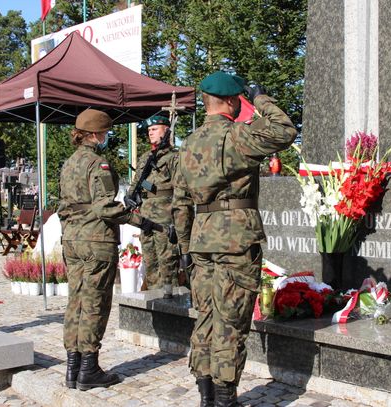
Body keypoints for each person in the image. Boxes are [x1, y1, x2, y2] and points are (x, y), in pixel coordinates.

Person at [172, 71, 297, 406]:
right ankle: (225, 398)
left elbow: (180, 203)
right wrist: (259, 98)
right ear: (231, 101)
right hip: (236, 239)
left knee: (207, 317)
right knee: (231, 321)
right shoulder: (238, 136)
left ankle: (206, 395)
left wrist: (185, 248)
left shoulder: (189, 144)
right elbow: (285, 129)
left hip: (201, 240)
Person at [58, 109, 158, 391]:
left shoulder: (69, 164)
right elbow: (104, 208)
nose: (106, 137)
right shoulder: (97, 164)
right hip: (95, 242)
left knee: (75, 301)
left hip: (73, 240)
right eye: (104, 132)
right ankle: (88, 368)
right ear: (94, 134)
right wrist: (138, 218)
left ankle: (72, 367)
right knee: (94, 304)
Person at [132, 114, 180, 293]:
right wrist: (131, 196)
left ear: (166, 130)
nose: (150, 133)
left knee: (167, 261)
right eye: (149, 130)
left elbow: (181, 189)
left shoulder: (174, 157)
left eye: (154, 129)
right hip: (146, 218)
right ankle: (153, 295)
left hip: (165, 218)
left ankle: (170, 300)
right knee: (150, 261)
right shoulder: (146, 157)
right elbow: (136, 182)